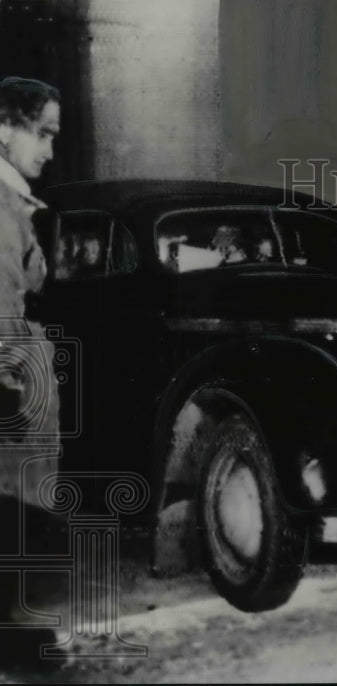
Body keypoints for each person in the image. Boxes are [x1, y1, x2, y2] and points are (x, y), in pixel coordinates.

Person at [0, 76, 63, 670]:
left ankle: (23, 634)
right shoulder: (0, 207)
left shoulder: (15, 202)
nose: (47, 149)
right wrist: (11, 383)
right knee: (21, 508)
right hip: (13, 380)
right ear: (4, 129)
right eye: (40, 133)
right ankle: (23, 642)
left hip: (20, 371)